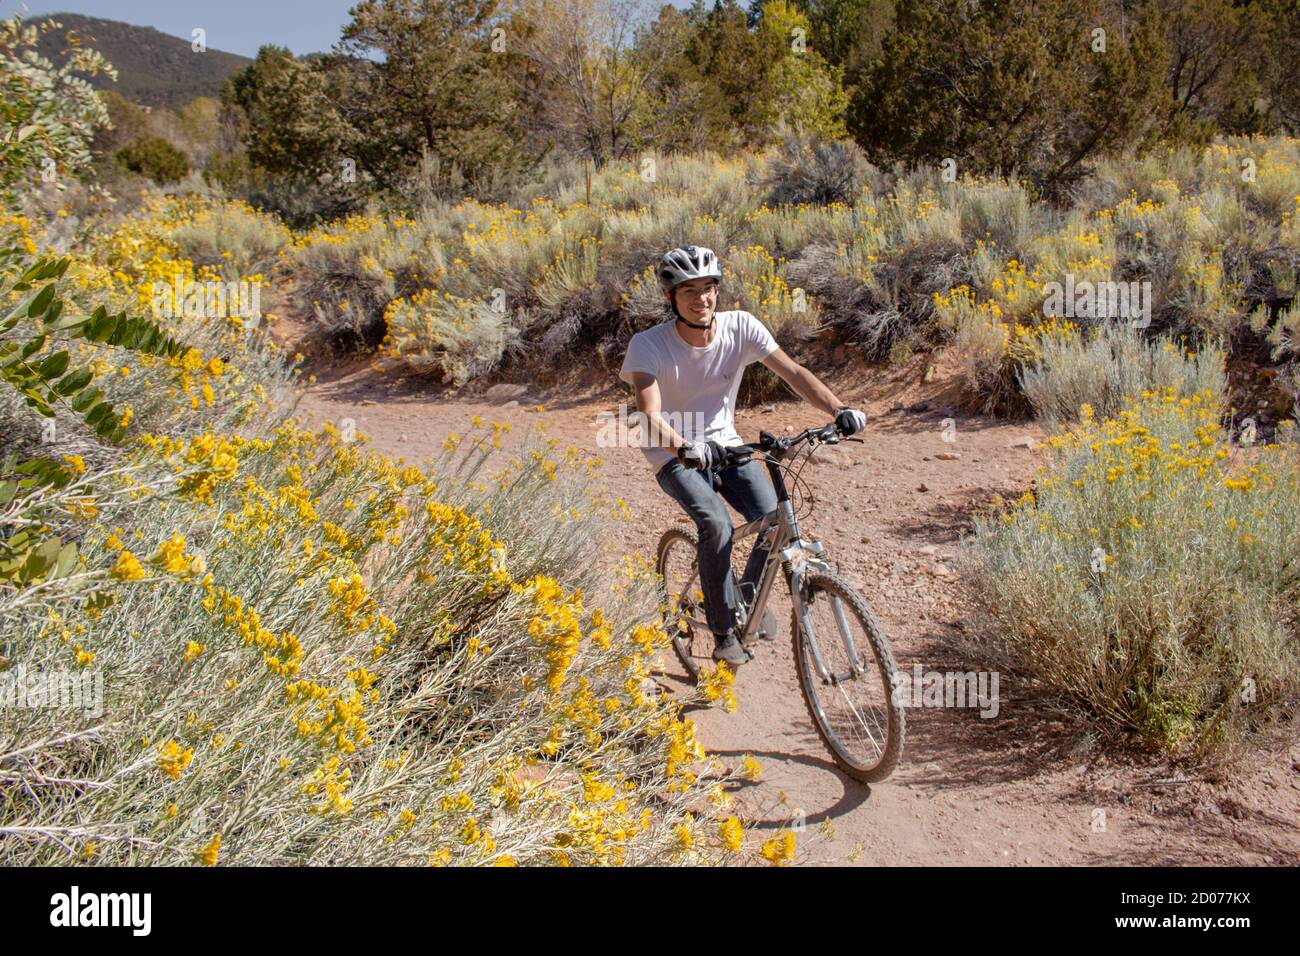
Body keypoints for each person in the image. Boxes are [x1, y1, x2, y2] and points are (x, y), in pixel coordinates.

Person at [618, 244, 868, 667]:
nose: (702, 299)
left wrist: (838, 410)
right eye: (690, 291)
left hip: (727, 446)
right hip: (673, 453)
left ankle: (744, 600)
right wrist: (684, 446)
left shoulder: (741, 327)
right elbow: (648, 414)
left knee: (774, 520)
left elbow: (794, 374)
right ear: (670, 298)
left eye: (709, 287)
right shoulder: (649, 346)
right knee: (716, 524)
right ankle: (722, 630)